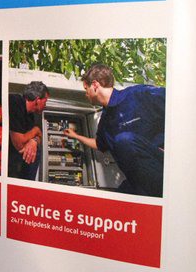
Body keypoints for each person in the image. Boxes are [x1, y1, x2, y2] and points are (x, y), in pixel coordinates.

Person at [64, 63, 165, 197]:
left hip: (162, 170)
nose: (86, 94)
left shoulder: (138, 94)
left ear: (95, 85)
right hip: (138, 182)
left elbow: (177, 104)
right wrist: (76, 136)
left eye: (86, 89)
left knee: (124, 140)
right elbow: (99, 144)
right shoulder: (105, 122)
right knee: (111, 203)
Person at [8, 81, 49, 180]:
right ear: (38, 100)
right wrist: (36, 130)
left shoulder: (30, 116)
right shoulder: (16, 102)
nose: (45, 105)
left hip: (16, 171)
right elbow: (19, 144)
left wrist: (33, 141)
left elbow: (39, 138)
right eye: (45, 101)